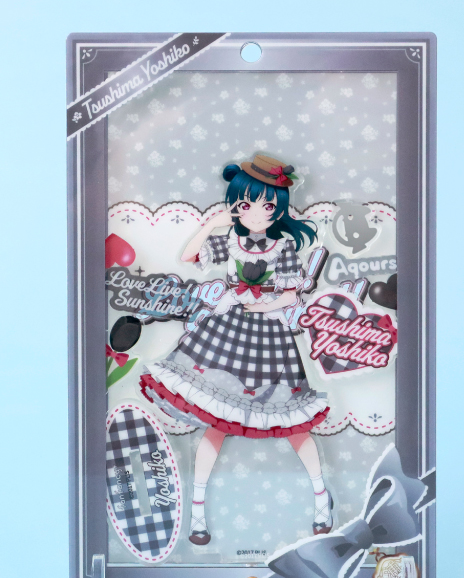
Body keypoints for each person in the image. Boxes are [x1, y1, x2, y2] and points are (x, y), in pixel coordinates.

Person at [140, 155, 333, 545]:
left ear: (278, 208)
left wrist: (263, 305)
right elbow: (188, 257)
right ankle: (197, 514)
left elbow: (290, 294)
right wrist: (211, 224)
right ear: (235, 206)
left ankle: (321, 500)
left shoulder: (282, 246)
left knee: (293, 424)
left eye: (267, 206)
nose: (257, 214)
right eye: (246, 205)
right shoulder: (229, 239)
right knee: (217, 420)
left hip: (269, 337)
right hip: (227, 333)